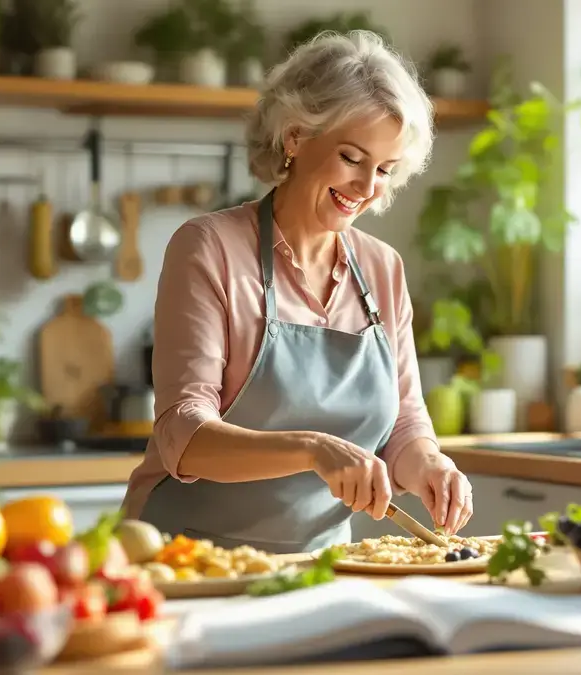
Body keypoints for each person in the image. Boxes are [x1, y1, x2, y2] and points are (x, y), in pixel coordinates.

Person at [121, 30, 474, 554]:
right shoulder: (210, 247)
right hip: (188, 559)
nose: (367, 187)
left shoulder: (382, 269)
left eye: (384, 169)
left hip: (323, 563)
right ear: (295, 137)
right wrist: (312, 449)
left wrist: (428, 462)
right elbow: (184, 434)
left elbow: (403, 418)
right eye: (352, 158)